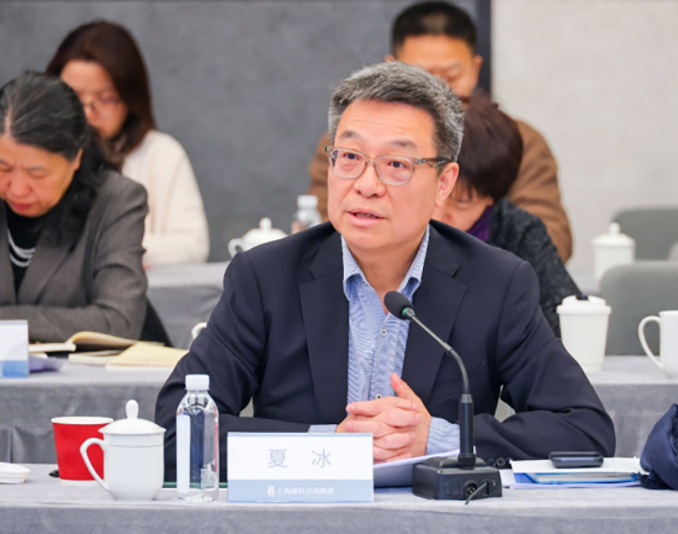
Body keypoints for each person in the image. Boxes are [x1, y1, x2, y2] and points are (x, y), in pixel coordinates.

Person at [156, 62, 614, 480]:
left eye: (396, 164)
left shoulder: (495, 283)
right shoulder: (265, 277)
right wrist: (330, 446)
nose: (367, 185)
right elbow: (178, 430)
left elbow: (584, 429)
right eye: (350, 157)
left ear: (444, 183)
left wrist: (436, 439)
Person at [307, 1, 573, 261]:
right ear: (391, 69)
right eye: (420, 78)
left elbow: (551, 240)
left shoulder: (522, 142)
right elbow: (321, 225)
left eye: (450, 77)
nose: (436, 92)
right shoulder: (347, 141)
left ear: (475, 70)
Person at [46, 20, 209, 267]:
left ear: (131, 98)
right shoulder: (35, 152)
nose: (86, 113)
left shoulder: (160, 153)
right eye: (72, 97)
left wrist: (113, 246)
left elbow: (193, 246)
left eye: (105, 99)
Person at [0, 71, 147, 342]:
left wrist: (7, 322)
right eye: (3, 168)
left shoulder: (115, 201)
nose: (17, 188)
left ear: (76, 157)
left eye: (37, 173)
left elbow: (118, 320)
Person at [432, 96, 580, 336]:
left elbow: (566, 320)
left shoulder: (519, 231)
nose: (439, 212)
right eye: (434, 193)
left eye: (462, 202)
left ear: (492, 198)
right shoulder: (395, 226)